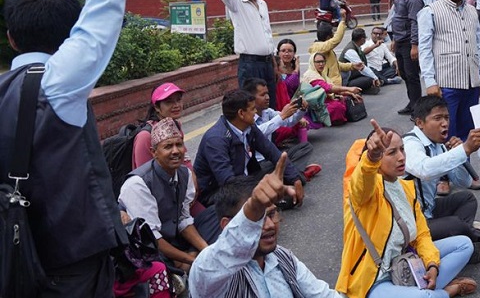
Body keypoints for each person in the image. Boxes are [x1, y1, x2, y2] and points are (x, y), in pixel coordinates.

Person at [0, 0, 127, 296]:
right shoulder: (59, 83)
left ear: (11, 38)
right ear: (68, 36)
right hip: (70, 263)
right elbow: (105, 2)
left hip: (14, 256)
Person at [337, 122, 478, 298]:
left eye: (402, 149)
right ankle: (447, 291)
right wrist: (371, 159)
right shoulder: (365, 192)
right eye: (391, 152)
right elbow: (362, 181)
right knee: (426, 297)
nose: (401, 157)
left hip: (405, 265)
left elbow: (421, 235)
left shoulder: (406, 188)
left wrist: (432, 265)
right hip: (375, 281)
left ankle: (426, 289)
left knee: (464, 244)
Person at [190, 157, 343, 297]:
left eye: (271, 214)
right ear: (227, 225)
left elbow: (323, 295)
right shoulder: (213, 270)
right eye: (258, 219)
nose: (269, 225)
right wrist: (253, 207)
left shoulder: (283, 257)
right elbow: (213, 263)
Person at [404, 96, 480, 264]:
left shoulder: (438, 145)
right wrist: (464, 149)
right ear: (420, 123)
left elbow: (463, 181)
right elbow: (424, 170)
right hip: (413, 223)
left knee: (467, 199)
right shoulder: (410, 143)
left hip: (428, 211)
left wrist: (460, 154)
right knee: (455, 224)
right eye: (437, 118)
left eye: (446, 117)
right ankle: (478, 234)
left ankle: (464, 236)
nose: (444, 123)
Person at [418, 0, 480, 188]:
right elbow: (424, 50)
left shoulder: (472, 11)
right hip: (446, 82)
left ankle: (464, 174)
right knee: (445, 132)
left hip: (471, 81)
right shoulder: (430, 12)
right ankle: (444, 178)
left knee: (467, 131)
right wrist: (430, 82)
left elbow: (477, 46)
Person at [119, 118, 211, 272]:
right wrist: (192, 259)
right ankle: (180, 266)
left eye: (179, 145)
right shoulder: (138, 184)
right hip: (146, 244)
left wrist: (206, 250)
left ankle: (185, 262)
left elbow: (183, 219)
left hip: (172, 236)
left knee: (213, 216)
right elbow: (151, 237)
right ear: (154, 152)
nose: (175, 151)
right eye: (168, 146)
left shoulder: (185, 174)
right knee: (153, 261)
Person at [193, 89, 304, 206]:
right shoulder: (216, 139)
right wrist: (262, 189)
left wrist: (295, 179)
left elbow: (272, 152)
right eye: (252, 109)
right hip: (219, 192)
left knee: (294, 178)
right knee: (282, 196)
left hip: (245, 179)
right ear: (241, 113)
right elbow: (228, 182)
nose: (255, 112)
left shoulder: (249, 127)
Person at [218, 0, 279, 110]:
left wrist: (274, 63)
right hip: (250, 65)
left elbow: (267, 35)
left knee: (270, 105)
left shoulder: (262, 4)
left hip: (267, 63)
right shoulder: (236, 3)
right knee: (251, 107)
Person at [388, 0, 424, 116]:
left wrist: (415, 45)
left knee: (412, 75)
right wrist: (395, 39)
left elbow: (415, 22)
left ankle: (417, 107)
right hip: (400, 41)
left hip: (409, 42)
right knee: (403, 73)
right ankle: (412, 102)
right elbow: (397, 18)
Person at [243, 77, 309, 150]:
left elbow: (289, 121)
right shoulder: (246, 117)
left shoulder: (267, 112)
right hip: (256, 156)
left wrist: (301, 110)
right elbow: (258, 132)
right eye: (263, 95)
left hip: (270, 154)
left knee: (305, 148)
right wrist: (282, 115)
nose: (267, 97)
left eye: (267, 94)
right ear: (251, 98)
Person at [302, 52, 363, 126]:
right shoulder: (311, 75)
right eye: (318, 62)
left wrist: (350, 93)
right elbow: (328, 88)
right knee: (337, 107)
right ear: (312, 62)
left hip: (325, 99)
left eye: (323, 61)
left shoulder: (322, 74)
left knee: (349, 97)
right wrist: (349, 89)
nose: (321, 64)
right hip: (314, 105)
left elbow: (333, 88)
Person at [309, 13, 363, 88]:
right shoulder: (318, 47)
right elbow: (336, 40)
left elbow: (336, 65)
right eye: (333, 33)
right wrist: (342, 21)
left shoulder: (327, 49)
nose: (334, 35)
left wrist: (352, 66)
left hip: (337, 82)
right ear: (328, 37)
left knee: (359, 73)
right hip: (330, 86)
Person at [340, 28, 383, 94]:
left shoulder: (356, 46)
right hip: (346, 80)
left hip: (353, 74)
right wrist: (375, 78)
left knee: (372, 71)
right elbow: (362, 67)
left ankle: (370, 86)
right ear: (362, 39)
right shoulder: (350, 51)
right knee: (369, 79)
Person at [275, 38, 302, 109]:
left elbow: (297, 88)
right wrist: (296, 69)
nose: (286, 54)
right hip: (282, 105)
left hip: (295, 103)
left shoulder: (294, 67)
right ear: (278, 53)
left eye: (290, 51)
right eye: (283, 51)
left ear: (294, 53)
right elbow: (288, 85)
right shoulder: (276, 69)